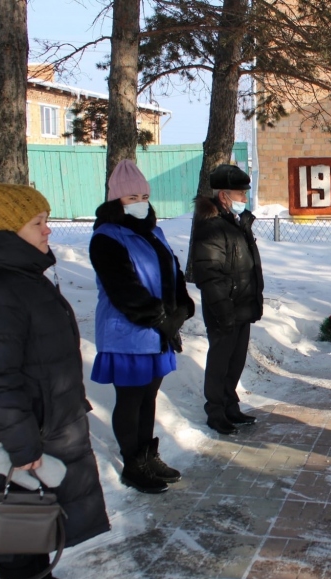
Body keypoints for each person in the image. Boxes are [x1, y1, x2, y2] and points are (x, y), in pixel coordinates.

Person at [0, 171, 109, 579]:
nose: (48, 230)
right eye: (37, 223)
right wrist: (21, 444)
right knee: (17, 510)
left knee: (41, 505)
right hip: (15, 432)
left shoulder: (24, 276)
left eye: (45, 219)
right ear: (8, 231)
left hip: (43, 420)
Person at [89, 160, 195, 494]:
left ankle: (148, 456)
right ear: (116, 200)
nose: (140, 202)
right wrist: (160, 319)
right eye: (132, 196)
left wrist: (180, 309)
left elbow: (173, 274)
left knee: (149, 396)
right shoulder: (106, 238)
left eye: (144, 196)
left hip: (158, 333)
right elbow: (123, 288)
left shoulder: (154, 233)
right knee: (131, 399)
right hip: (127, 334)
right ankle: (133, 464)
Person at [191, 164, 264, 435]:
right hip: (224, 308)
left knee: (235, 362)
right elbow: (209, 274)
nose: (245, 198)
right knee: (220, 363)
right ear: (224, 196)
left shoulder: (238, 222)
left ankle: (230, 406)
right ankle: (216, 412)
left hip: (241, 306)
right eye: (240, 194)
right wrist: (223, 310)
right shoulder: (211, 227)